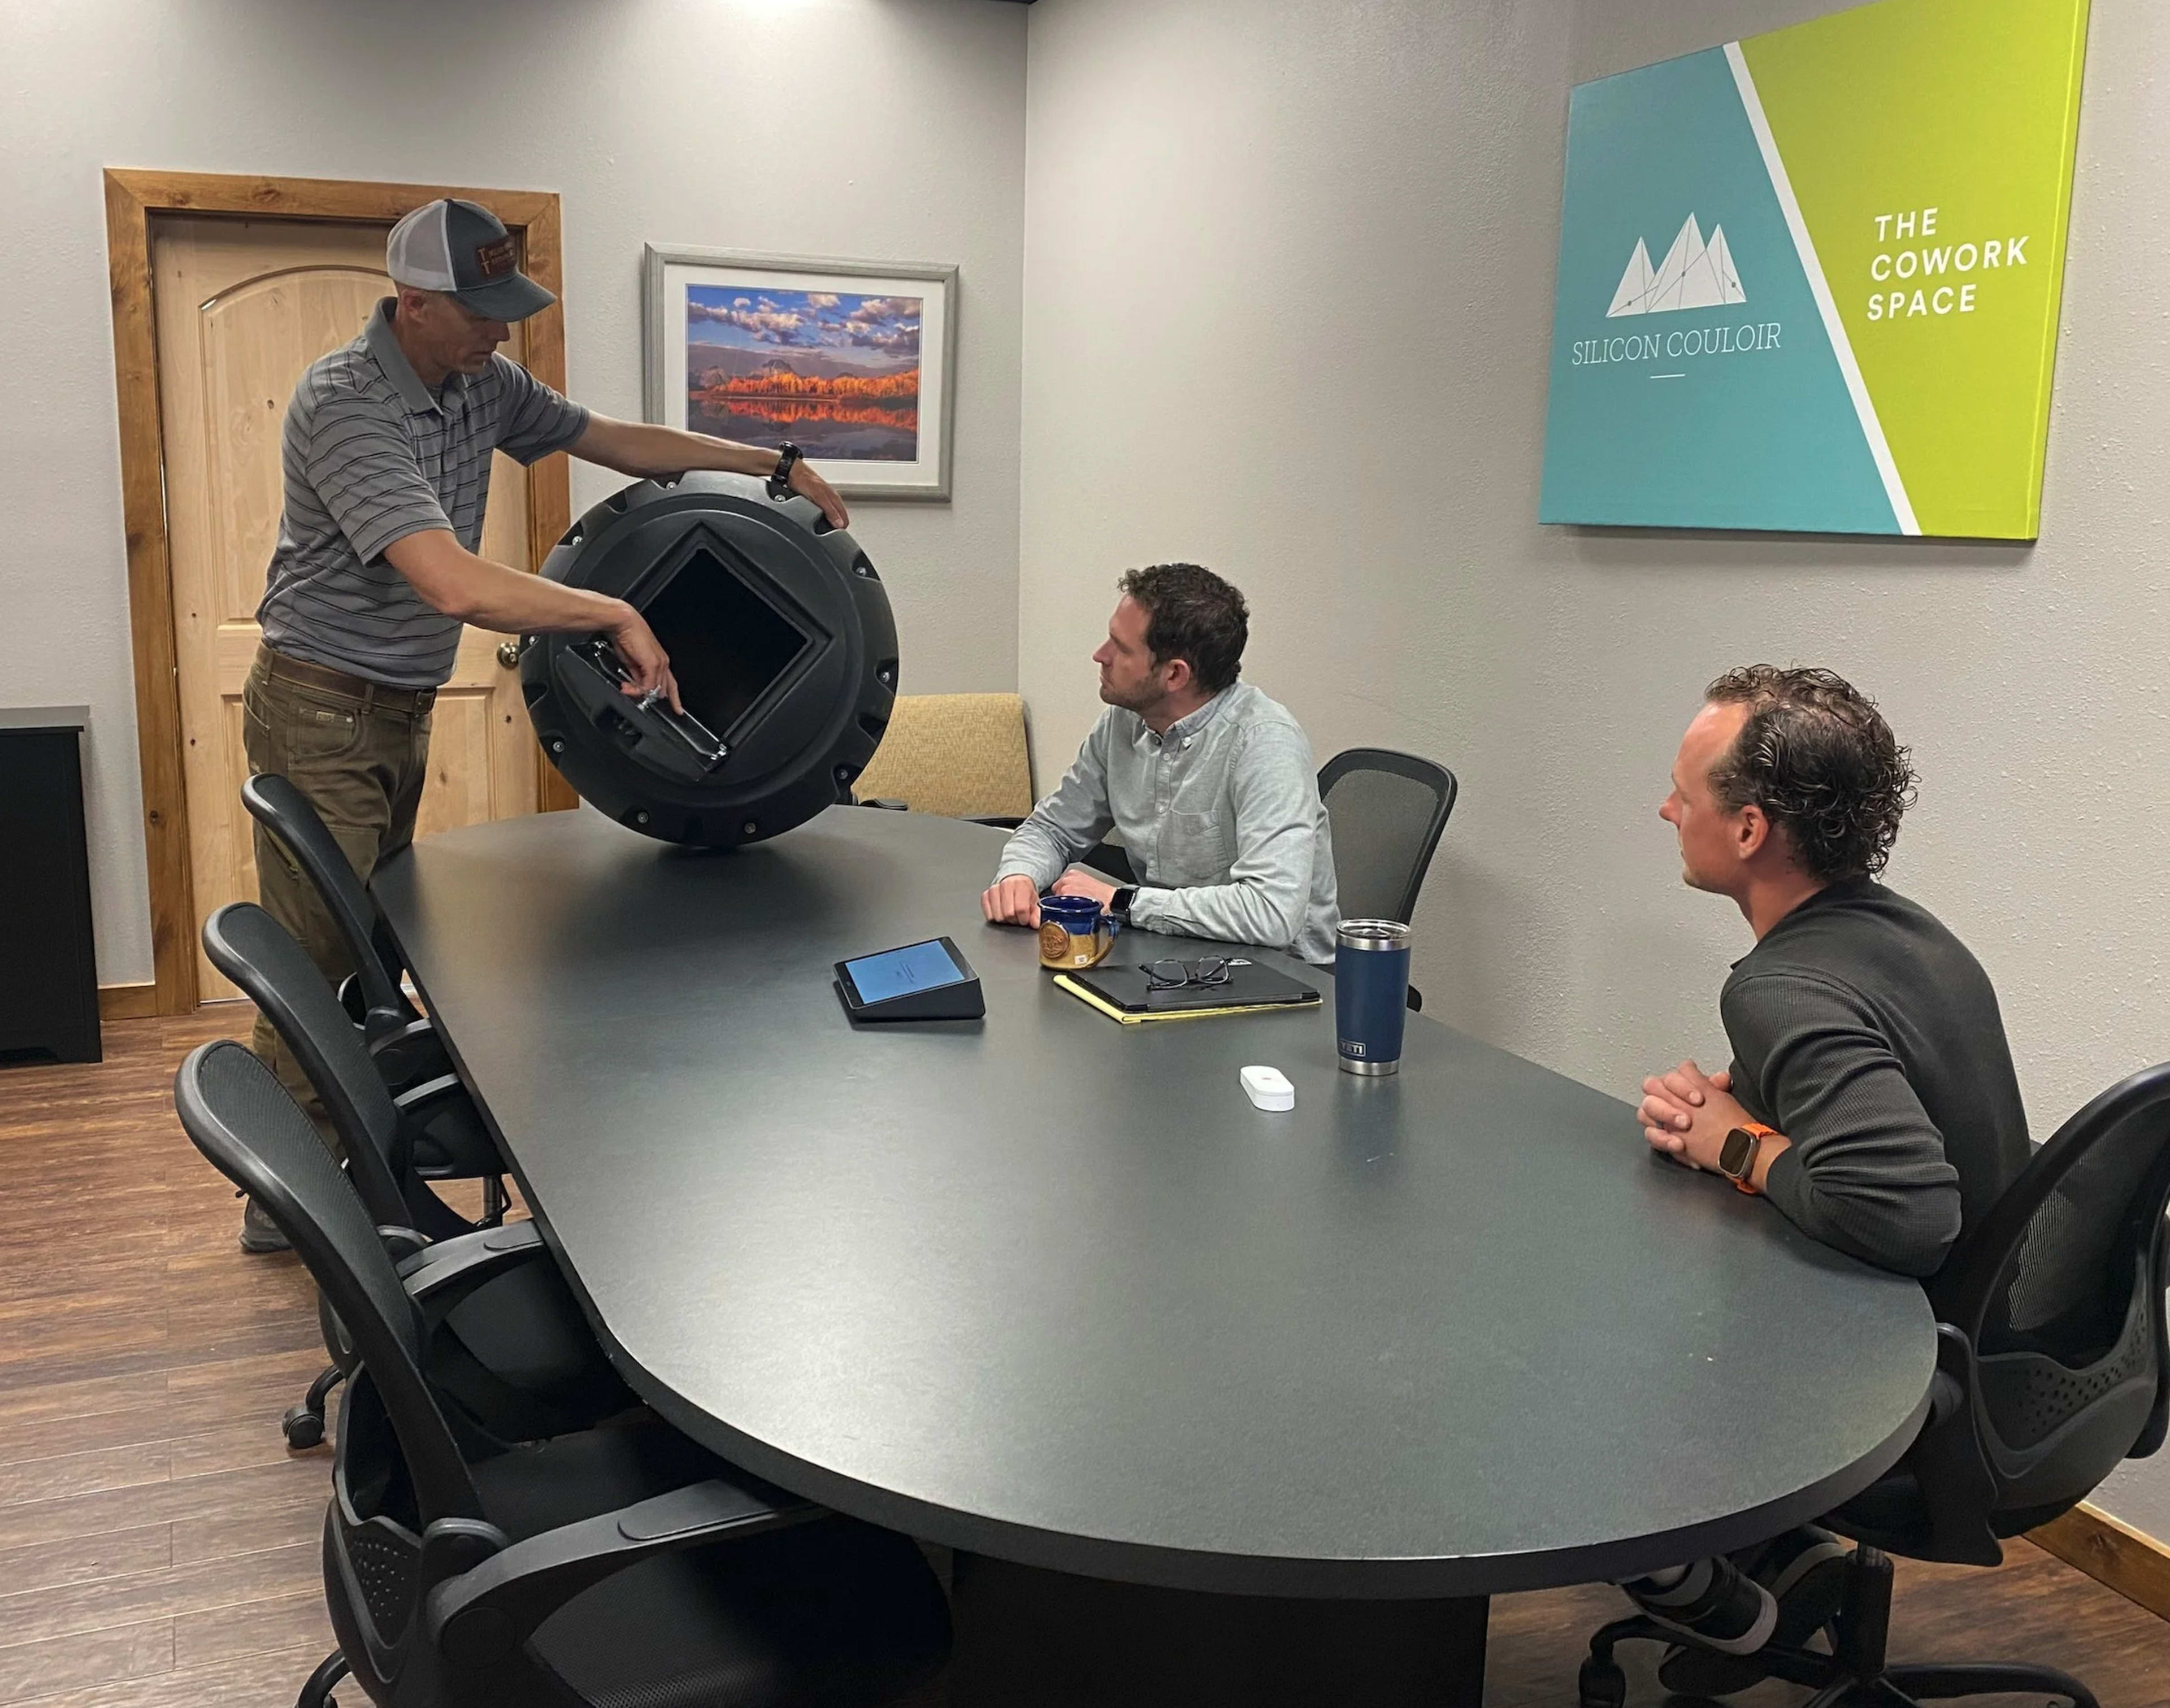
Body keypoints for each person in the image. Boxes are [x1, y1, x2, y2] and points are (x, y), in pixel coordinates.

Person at [238, 197, 848, 1252]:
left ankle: (350, 1159)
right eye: (479, 313)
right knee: (316, 950)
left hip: (395, 706)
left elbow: (610, 439)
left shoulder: (478, 381)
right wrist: (611, 610)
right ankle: (286, 1198)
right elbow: (447, 581)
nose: (500, 332)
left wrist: (770, 463)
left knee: (370, 944)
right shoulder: (345, 403)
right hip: (323, 705)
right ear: (413, 303)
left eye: (505, 309)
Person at [1616, 665, 2031, 1694]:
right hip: (2023, 1352)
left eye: (1684, 791)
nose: (1665, 807)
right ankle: (1785, 1554)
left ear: (1750, 829)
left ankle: (1728, 1606)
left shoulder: (1783, 983)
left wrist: (1735, 1146)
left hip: (1915, 1372)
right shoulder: (1904, 931)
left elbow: (1902, 1207)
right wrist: (1741, 1114)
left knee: (1576, 1359)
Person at [979, 563, 1338, 964]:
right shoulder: (1125, 720)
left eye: (1121, 648)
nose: (1101, 655)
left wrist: (1121, 901)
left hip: (1285, 982)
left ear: (1174, 674)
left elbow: (1271, 913)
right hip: (1176, 960)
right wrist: (1019, 876)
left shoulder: (1265, 744)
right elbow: (1053, 829)